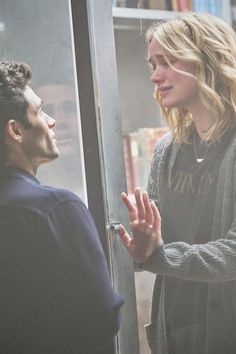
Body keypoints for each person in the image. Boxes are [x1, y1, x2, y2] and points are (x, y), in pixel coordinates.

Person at [118, 12, 236, 354]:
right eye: (153, 64)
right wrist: (141, 248)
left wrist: (158, 256)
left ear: (208, 61)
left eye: (168, 61)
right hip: (176, 328)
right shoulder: (165, 150)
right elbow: (157, 245)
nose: (156, 76)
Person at [0, 60, 124, 354]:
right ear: (16, 130)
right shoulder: (57, 209)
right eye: (40, 110)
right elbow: (102, 320)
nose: (52, 120)